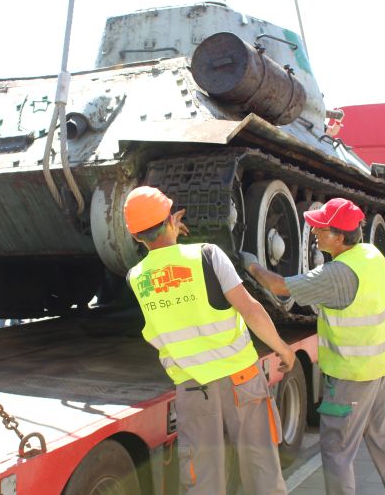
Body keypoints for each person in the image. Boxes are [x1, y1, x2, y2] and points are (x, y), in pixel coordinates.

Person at [241, 198, 385, 495]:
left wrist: (251, 264)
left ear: (339, 237)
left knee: (337, 451)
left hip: (352, 376)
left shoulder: (337, 274)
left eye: (322, 228)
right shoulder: (371, 254)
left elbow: (278, 286)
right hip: (384, 368)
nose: (314, 232)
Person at [123, 186, 294, 495]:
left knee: (203, 477)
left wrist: (171, 240)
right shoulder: (206, 254)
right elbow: (251, 310)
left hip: (192, 386)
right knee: (261, 466)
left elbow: (170, 281)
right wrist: (283, 348)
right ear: (171, 220)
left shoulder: (136, 277)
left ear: (136, 237)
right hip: (241, 378)